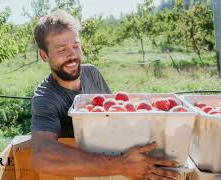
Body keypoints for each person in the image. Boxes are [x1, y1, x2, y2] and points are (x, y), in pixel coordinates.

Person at [30, 10, 180, 180]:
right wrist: (122, 165)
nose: (72, 55)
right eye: (62, 50)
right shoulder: (46, 98)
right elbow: (42, 157)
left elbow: (114, 119)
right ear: (44, 55)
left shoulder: (92, 73)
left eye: (75, 46)